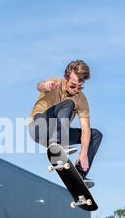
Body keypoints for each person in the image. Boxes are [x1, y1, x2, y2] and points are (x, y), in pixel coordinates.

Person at [28, 59, 103, 188]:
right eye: (73, 85)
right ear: (65, 79)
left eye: (79, 87)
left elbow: (85, 128)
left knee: (95, 134)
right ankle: (56, 144)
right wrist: (45, 86)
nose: (75, 90)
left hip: (59, 132)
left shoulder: (81, 99)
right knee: (69, 103)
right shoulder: (56, 83)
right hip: (38, 127)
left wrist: (83, 153)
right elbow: (39, 86)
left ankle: (80, 174)